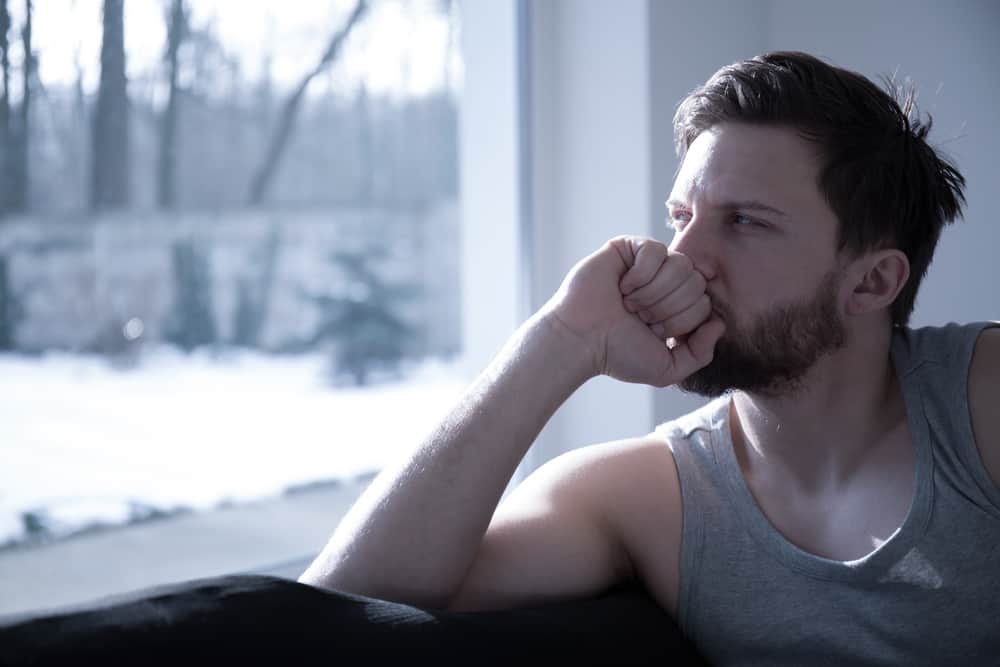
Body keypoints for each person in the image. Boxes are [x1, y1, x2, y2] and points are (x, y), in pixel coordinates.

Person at [298, 52, 1000, 664]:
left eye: (745, 221)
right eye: (680, 217)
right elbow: (327, 611)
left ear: (872, 281)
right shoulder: (654, 496)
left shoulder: (982, 400)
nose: (684, 257)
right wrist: (564, 337)